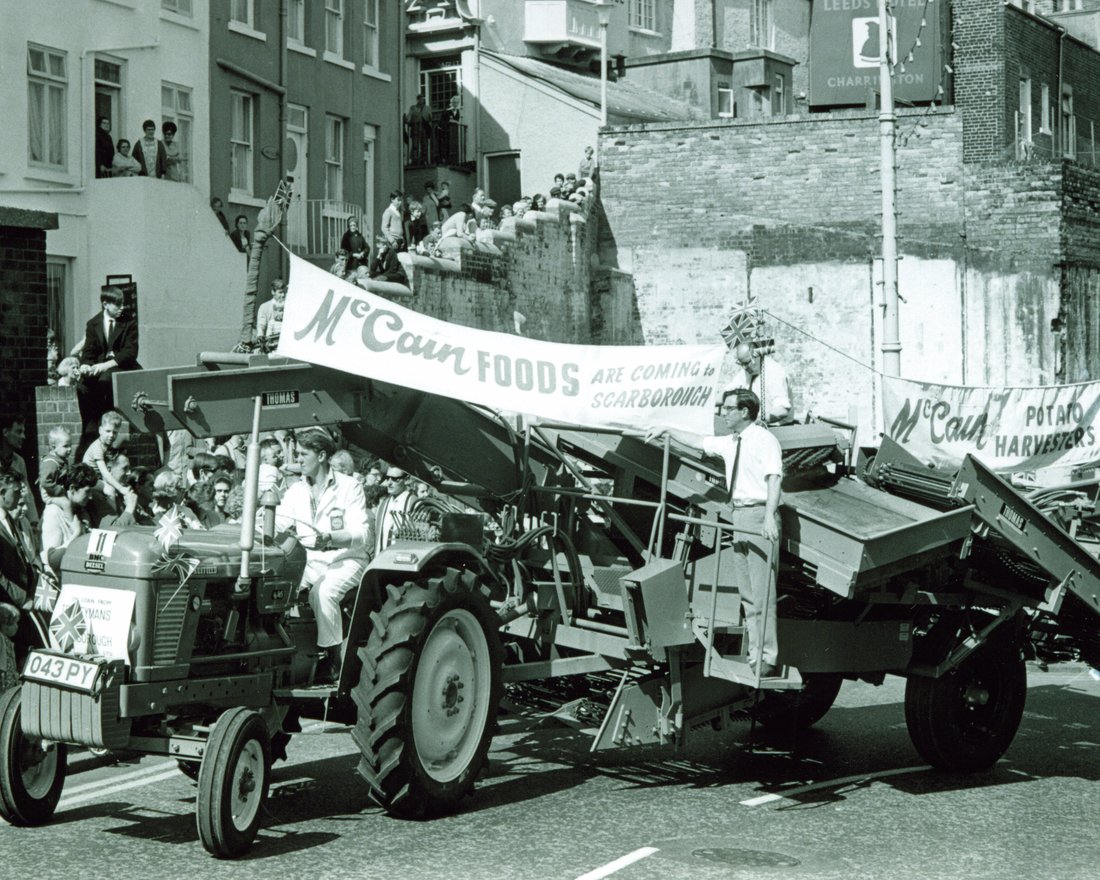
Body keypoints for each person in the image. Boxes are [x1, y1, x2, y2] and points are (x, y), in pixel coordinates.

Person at [653, 389, 783, 678]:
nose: (724, 413)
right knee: (748, 592)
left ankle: (767, 658)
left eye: (728, 408)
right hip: (738, 514)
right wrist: (667, 430)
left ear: (745, 412)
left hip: (758, 514)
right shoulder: (731, 442)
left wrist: (770, 517)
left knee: (762, 592)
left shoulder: (765, 440)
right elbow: (700, 441)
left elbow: (774, 478)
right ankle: (755, 655)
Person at [274, 428, 369, 684]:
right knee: (277, 589)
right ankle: (289, 658)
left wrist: (329, 538)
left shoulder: (350, 486)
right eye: (297, 454)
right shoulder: (296, 491)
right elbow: (278, 522)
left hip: (347, 560)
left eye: (304, 454)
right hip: (310, 562)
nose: (298, 460)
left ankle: (333, 659)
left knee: (323, 592)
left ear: (322, 456)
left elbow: (362, 534)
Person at [77, 286, 140, 434]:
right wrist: (85, 365)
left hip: (121, 367)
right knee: (82, 386)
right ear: (105, 304)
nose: (122, 308)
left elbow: (130, 352)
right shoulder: (93, 324)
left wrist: (105, 365)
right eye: (118, 304)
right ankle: (90, 428)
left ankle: (107, 424)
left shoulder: (129, 322)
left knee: (104, 380)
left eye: (123, 303)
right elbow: (89, 351)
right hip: (100, 369)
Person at [40, 464, 96, 574]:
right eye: (87, 491)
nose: (91, 497)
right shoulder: (53, 512)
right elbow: (52, 560)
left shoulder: (80, 510)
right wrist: (77, 534)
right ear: (72, 488)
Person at [731, 342, 792, 425]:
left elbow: (782, 410)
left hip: (775, 428)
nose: (744, 367)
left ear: (757, 356)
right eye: (740, 363)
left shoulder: (775, 372)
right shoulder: (748, 369)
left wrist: (756, 420)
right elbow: (728, 392)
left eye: (746, 363)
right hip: (754, 426)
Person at [1, 416, 39, 528]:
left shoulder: (19, 462)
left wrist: (34, 521)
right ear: (5, 432)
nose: (23, 436)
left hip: (16, 520)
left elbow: (26, 492)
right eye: (18, 431)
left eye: (23, 432)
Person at [81, 410, 127, 498]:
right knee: (110, 490)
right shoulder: (97, 447)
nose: (111, 435)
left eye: (115, 432)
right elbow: (104, 472)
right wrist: (120, 488)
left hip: (96, 478)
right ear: (100, 430)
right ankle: (113, 512)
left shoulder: (106, 445)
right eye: (108, 431)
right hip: (88, 479)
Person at [372, 466, 416, 557]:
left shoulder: (414, 503)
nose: (389, 483)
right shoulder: (383, 505)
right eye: (388, 478)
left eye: (395, 479)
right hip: (381, 562)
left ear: (407, 480)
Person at [39, 427, 74, 502]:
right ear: (53, 447)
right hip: (50, 494)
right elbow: (45, 482)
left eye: (70, 445)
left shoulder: (62, 459)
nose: (69, 449)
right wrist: (58, 490)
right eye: (65, 446)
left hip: (60, 490)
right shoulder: (50, 463)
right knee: (66, 505)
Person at [256, 280, 286, 351]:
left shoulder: (289, 306)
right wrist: (261, 338)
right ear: (273, 292)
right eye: (280, 292)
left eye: (284, 292)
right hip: (270, 344)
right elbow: (261, 326)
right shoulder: (264, 307)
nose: (283, 295)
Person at [404, 94, 432, 164]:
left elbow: (430, 118)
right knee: (415, 145)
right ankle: (415, 160)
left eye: (423, 99)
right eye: (421, 99)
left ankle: (424, 160)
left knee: (424, 144)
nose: (422, 100)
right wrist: (406, 120)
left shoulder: (427, 108)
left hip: (424, 127)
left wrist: (428, 119)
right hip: (415, 127)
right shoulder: (413, 108)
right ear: (418, 100)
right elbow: (409, 117)